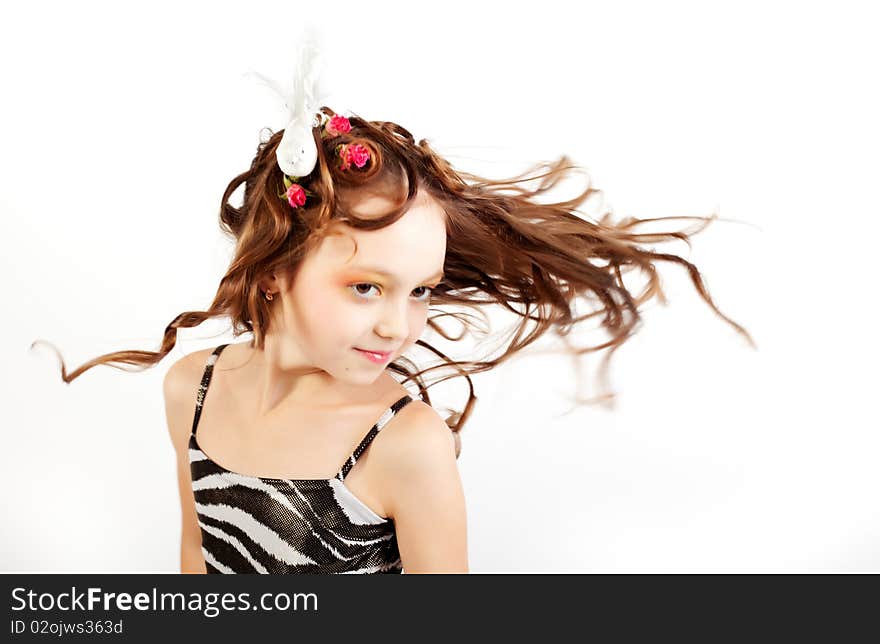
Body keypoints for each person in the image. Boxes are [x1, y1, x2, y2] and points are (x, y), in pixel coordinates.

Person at [32, 104, 755, 574]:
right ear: (275, 270)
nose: (397, 324)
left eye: (421, 291)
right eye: (367, 287)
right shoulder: (192, 388)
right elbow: (196, 556)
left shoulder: (404, 444)